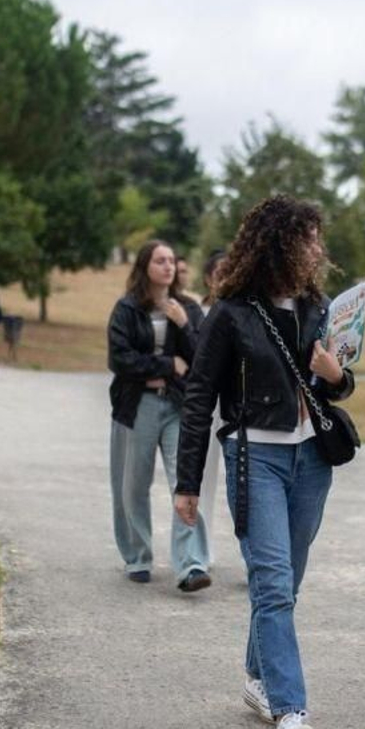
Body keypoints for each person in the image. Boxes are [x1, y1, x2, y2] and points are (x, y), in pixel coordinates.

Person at [173, 196, 354, 729]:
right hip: (257, 460)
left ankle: (256, 674)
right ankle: (291, 713)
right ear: (280, 244)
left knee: (286, 584)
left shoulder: (318, 308)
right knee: (273, 584)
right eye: (308, 239)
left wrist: (338, 376)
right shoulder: (231, 312)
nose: (317, 250)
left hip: (312, 463)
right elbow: (199, 397)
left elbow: (332, 387)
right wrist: (187, 482)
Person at [108, 241, 211, 592]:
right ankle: (138, 557)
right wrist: (167, 365)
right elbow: (119, 359)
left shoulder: (187, 308)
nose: (168, 266)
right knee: (133, 484)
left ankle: (192, 564)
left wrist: (184, 326)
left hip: (176, 407)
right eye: (160, 260)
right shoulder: (126, 309)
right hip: (137, 405)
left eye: (171, 260)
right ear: (145, 266)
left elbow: (202, 359)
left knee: (183, 482)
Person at [196, 248, 229, 538]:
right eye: (220, 273)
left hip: (235, 405)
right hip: (207, 403)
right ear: (208, 279)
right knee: (203, 474)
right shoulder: (198, 313)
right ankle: (201, 547)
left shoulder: (245, 312)